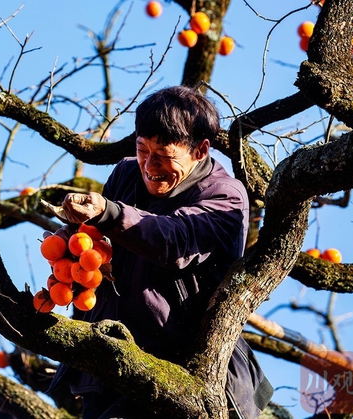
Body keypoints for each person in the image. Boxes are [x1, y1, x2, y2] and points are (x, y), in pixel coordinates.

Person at [48, 85, 273, 418]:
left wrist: (109, 213)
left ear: (200, 150)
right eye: (142, 149)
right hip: (113, 363)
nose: (149, 165)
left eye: (164, 155)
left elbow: (175, 240)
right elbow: (101, 250)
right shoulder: (126, 173)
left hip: (182, 370)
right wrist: (73, 246)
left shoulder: (226, 196)